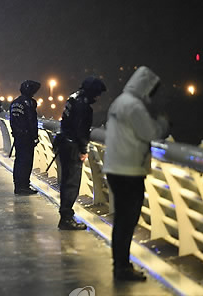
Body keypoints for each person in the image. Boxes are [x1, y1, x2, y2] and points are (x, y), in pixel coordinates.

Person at [103, 66, 169, 281]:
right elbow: (150, 133)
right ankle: (122, 268)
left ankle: (119, 265)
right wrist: (163, 123)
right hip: (129, 170)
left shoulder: (119, 102)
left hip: (115, 167)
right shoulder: (134, 106)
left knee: (121, 220)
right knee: (127, 220)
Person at [56, 77, 106, 230]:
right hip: (73, 147)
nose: (97, 98)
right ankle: (66, 218)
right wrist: (83, 149)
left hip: (63, 142)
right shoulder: (83, 106)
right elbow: (80, 130)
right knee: (71, 183)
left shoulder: (72, 98)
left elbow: (67, 122)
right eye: (97, 94)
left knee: (66, 181)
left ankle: (65, 215)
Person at [10, 80, 41, 195]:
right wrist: (34, 136)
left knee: (19, 161)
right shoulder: (28, 103)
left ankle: (18, 185)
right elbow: (31, 121)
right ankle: (24, 186)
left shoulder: (14, 103)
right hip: (27, 137)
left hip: (18, 136)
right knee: (26, 162)